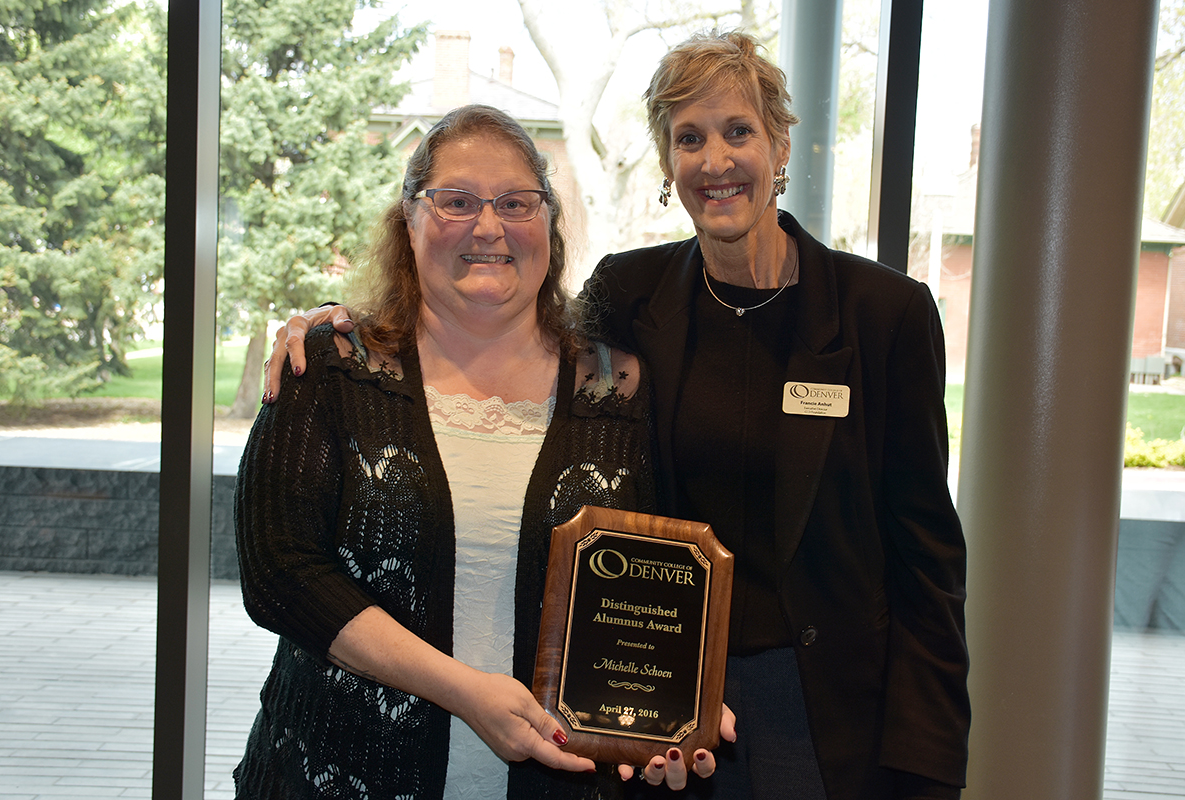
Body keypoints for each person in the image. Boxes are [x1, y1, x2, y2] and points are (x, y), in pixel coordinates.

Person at [265, 31, 970, 800]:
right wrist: (340, 324)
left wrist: (928, 758)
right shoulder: (629, 296)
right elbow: (509, 327)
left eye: (738, 131)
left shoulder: (882, 315)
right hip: (652, 691)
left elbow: (927, 556)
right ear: (668, 163)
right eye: (688, 138)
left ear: (780, 144)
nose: (715, 160)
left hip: (822, 707)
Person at [236, 103, 730, 800]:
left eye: (516, 203)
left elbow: (646, 590)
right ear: (407, 220)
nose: (489, 227)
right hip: (336, 776)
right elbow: (279, 574)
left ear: (551, 227)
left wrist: (667, 714)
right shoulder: (329, 367)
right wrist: (465, 692)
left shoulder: (616, 388)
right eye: (456, 202)